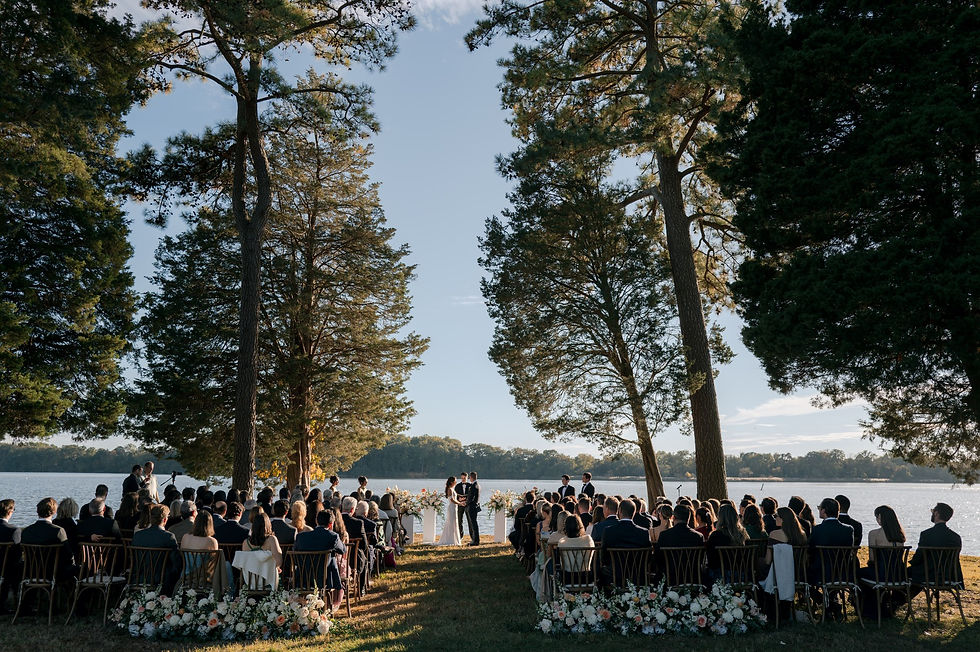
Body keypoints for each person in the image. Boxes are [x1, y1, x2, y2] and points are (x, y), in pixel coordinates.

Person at [294, 510, 346, 602]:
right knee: (332, 558)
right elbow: (343, 550)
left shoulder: (301, 537)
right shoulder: (332, 536)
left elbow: (295, 558)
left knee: (331, 557)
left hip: (303, 578)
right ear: (330, 524)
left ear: (316, 521)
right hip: (324, 579)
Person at [908, 502, 962, 588]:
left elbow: (919, 557)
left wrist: (912, 562)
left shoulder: (926, 534)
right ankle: (896, 601)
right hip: (949, 576)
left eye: (932, 511)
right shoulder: (956, 537)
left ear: (936, 513)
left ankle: (895, 601)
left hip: (929, 575)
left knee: (904, 574)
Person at [19, 497, 75, 580]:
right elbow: (68, 556)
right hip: (53, 572)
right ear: (54, 511)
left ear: (37, 511)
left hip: (31, 571)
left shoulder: (27, 531)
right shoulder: (58, 531)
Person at [131, 504, 180, 594]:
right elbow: (176, 562)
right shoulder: (168, 536)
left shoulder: (138, 535)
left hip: (139, 577)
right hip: (161, 579)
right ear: (165, 520)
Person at [705, 504, 748, 580]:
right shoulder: (743, 535)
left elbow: (710, 559)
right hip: (741, 574)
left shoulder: (715, 535)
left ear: (720, 518)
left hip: (721, 575)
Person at [0, 500, 20, 614]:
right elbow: (17, 555)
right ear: (9, 512)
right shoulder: (13, 530)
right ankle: (21, 605)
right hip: (6, 568)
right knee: (17, 568)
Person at [436, 476, 463, 546]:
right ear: (452, 482)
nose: (456, 482)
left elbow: (455, 498)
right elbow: (452, 500)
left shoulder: (452, 489)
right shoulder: (449, 489)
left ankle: (455, 539)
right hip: (451, 507)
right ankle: (449, 539)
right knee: (451, 522)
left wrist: (461, 500)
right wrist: (460, 503)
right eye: (455, 481)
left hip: (454, 507)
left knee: (454, 522)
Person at [464, 471, 481, 546]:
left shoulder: (474, 486)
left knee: (473, 524)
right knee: (473, 524)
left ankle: (475, 541)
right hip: (473, 506)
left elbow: (472, 498)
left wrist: (466, 503)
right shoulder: (477, 485)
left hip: (472, 507)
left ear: (471, 477)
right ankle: (474, 540)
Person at [455, 472, 469, 539]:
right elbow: (455, 495)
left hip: (468, 505)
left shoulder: (470, 485)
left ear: (467, 478)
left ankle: (472, 535)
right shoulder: (457, 486)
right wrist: (459, 499)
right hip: (460, 505)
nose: (463, 479)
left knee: (470, 520)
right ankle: (460, 535)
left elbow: (472, 495)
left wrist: (466, 499)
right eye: (462, 478)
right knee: (459, 520)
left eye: (464, 478)